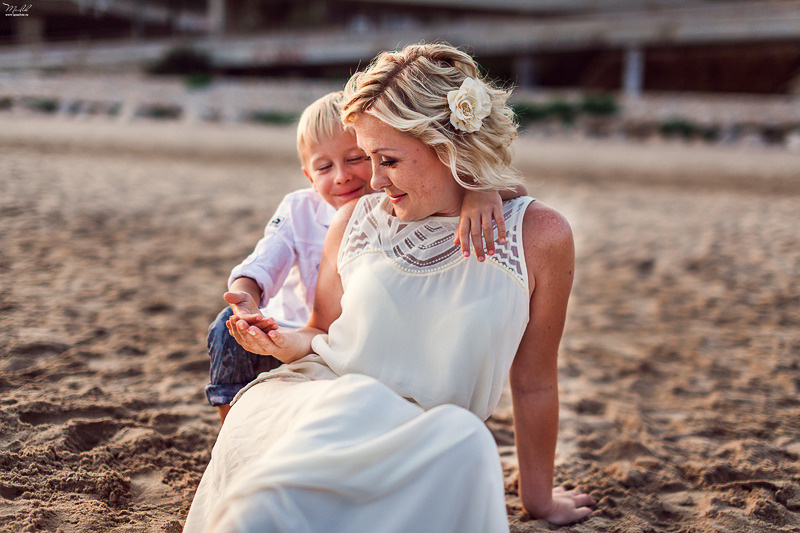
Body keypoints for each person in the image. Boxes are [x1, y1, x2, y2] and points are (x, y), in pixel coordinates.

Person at [185, 43, 594, 532]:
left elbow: (535, 383)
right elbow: (320, 332)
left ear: (449, 145)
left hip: (430, 438)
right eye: (369, 159)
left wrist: (539, 501)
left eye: (387, 160)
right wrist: (278, 341)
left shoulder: (540, 237)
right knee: (311, 453)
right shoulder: (354, 220)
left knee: (467, 442)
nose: (373, 181)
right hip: (315, 401)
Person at [206, 91, 516, 423]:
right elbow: (262, 263)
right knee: (227, 328)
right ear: (309, 177)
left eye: (356, 158)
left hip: (358, 345)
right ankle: (230, 422)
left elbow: (497, 189)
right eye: (324, 167)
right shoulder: (299, 210)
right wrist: (246, 300)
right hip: (295, 333)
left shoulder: (399, 203)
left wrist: (481, 189)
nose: (341, 176)